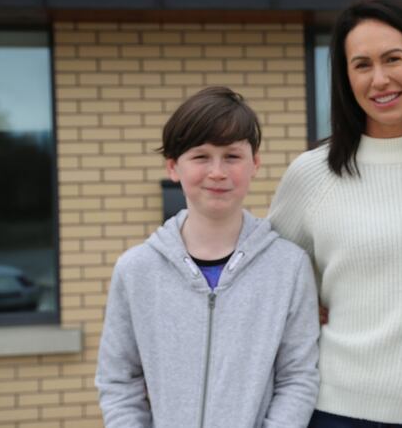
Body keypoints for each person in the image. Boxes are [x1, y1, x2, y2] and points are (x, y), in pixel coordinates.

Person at [268, 0, 402, 428]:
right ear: (346, 77)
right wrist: (310, 303)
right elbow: (270, 275)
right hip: (337, 408)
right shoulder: (312, 175)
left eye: (393, 59)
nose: (379, 79)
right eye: (362, 65)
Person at [95, 86, 320, 427]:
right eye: (201, 157)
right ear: (174, 167)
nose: (217, 171)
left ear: (255, 164)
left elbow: (298, 377)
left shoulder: (289, 266)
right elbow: (118, 381)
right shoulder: (136, 270)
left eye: (232, 156)